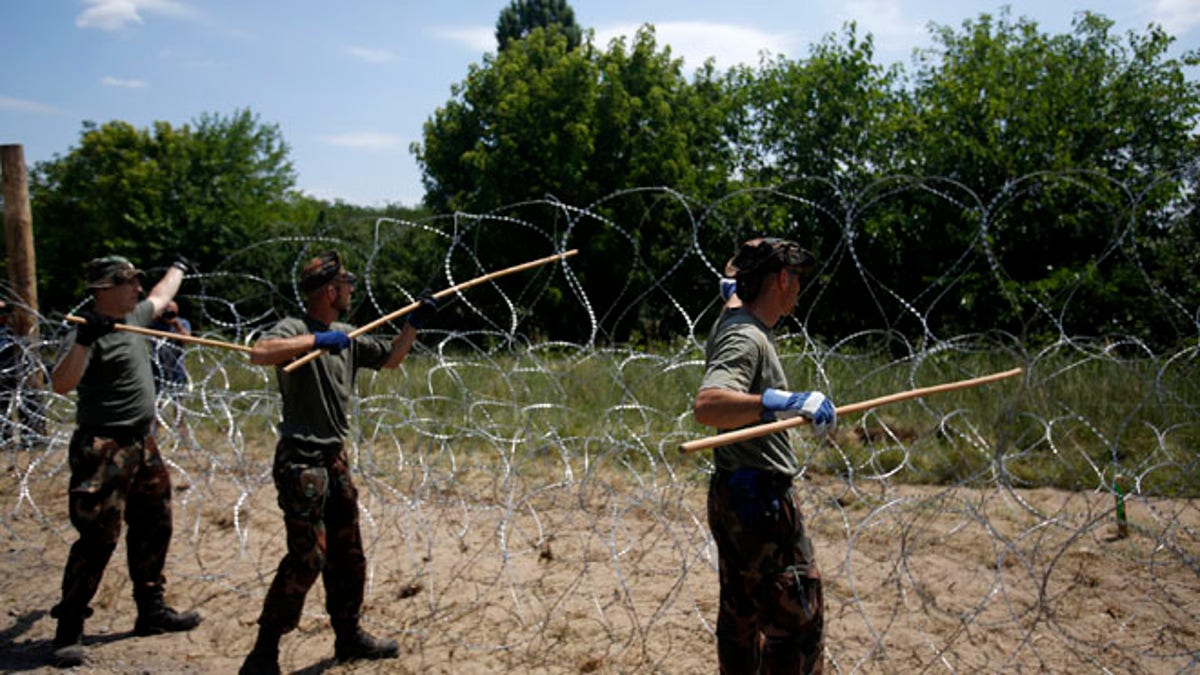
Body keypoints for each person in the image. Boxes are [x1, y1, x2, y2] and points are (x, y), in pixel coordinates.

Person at [239, 250, 437, 675]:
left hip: (334, 458)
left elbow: (391, 358)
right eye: (346, 284)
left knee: (348, 553)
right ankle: (263, 652)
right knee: (307, 556)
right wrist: (316, 341)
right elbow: (260, 352)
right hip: (301, 461)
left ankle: (348, 635)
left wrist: (415, 322)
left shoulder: (349, 333)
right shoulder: (296, 329)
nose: (351, 290)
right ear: (331, 290)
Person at [48, 255, 201, 667]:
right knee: (98, 535)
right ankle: (70, 625)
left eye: (136, 282)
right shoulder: (84, 331)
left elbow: (161, 294)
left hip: (142, 441)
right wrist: (84, 340)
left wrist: (180, 268)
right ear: (104, 289)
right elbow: (61, 384)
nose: (136, 288)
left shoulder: (135, 315)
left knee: (155, 524)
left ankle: (150, 609)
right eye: (128, 282)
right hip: (103, 447)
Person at [693, 237, 837, 674]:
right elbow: (709, 405)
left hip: (736, 494)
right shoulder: (746, 339)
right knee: (795, 623)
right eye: (795, 279)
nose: (798, 289)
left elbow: (735, 282)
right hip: (761, 504)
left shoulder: (736, 316)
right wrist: (778, 401)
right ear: (780, 279)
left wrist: (733, 289)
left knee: (742, 619)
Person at [149, 300, 191, 395]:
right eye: (166, 310)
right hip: (157, 365)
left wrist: (177, 326)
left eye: (171, 312)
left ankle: (177, 410)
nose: (168, 314)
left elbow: (187, 340)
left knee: (178, 398)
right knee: (156, 396)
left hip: (177, 366)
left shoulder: (183, 323)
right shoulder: (155, 323)